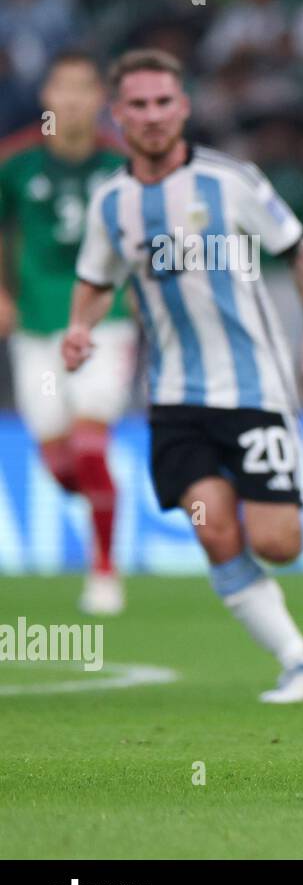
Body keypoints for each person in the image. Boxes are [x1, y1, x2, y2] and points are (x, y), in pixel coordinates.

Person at [63, 48, 303, 702]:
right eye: (138, 105)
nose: (151, 116)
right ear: (117, 116)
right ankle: (301, 664)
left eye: (163, 102)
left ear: (184, 107)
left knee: (278, 541)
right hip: (174, 397)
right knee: (214, 528)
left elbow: (300, 249)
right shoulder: (111, 204)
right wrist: (80, 326)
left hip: (254, 388)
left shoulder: (232, 181)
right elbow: (95, 280)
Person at [0, 52, 131, 614]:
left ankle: (103, 570)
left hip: (106, 320)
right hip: (34, 324)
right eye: (63, 89)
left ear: (100, 99)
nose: (73, 100)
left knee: (88, 441)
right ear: (47, 97)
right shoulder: (15, 163)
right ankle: (104, 500)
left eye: (84, 89)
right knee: (60, 465)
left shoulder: (123, 163)